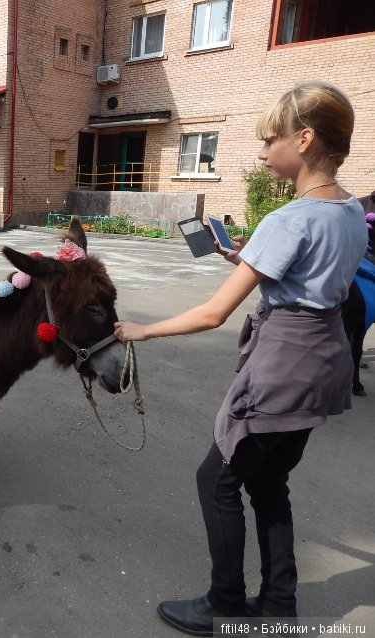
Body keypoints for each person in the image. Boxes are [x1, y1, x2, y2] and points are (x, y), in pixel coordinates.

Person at [113, 81, 367, 635]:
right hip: (325, 359)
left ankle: (225, 602)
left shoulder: (290, 219)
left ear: (303, 138)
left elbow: (212, 315)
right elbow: (314, 274)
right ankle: (279, 607)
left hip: (284, 364)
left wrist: (142, 330)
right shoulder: (349, 210)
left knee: (218, 480)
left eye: (269, 138)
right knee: (269, 481)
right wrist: (246, 257)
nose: (260, 151)